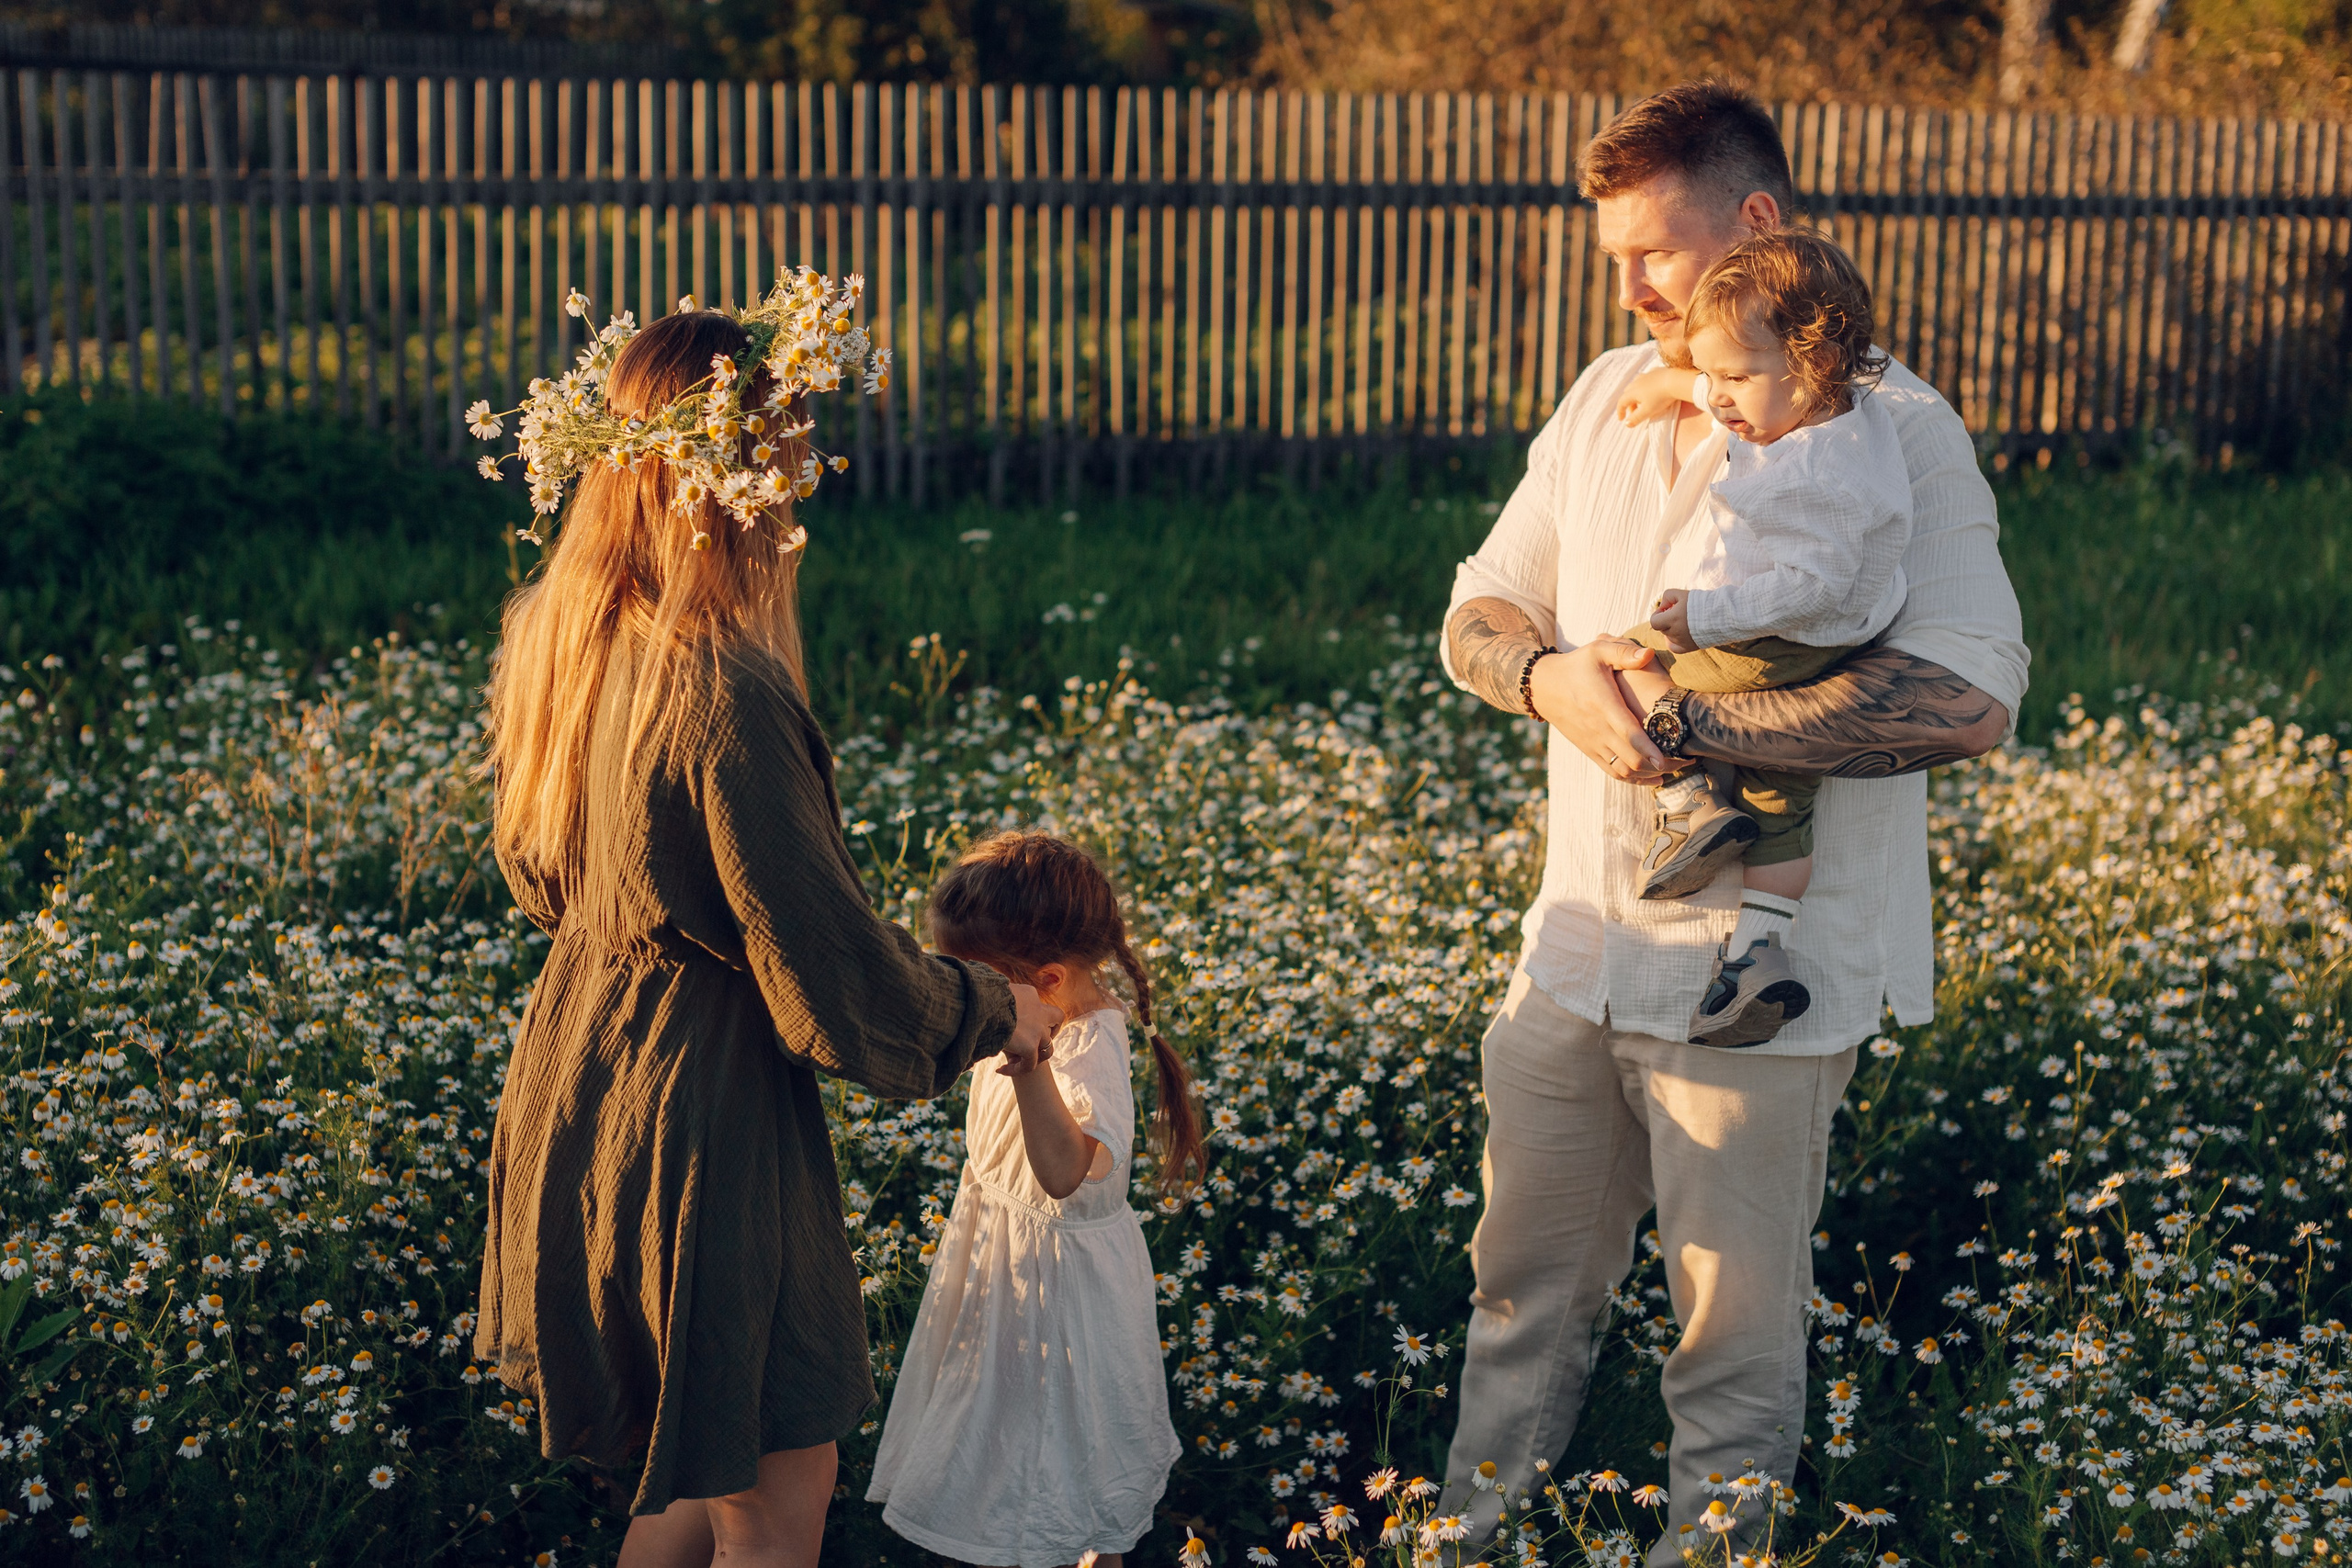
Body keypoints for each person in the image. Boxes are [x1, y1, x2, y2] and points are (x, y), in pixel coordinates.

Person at [1436, 81, 2030, 1564]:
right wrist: (1550, 673)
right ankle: (1460, 1543)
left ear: (1758, 225)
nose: (1628, 286)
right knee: (1515, 1300)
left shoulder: (1894, 429)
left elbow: (1970, 697)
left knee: (1732, 1351)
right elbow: (1478, 606)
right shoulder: (1600, 393)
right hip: (1574, 952)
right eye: (1616, 257)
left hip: (1763, 976)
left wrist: (1693, 722)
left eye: (1654, 250)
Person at [471, 302, 1059, 1568]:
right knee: (777, 1488)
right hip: (703, 1115)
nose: (798, 495)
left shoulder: (561, 642)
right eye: (785, 459)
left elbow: (540, 875)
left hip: (580, 1086)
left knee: (684, 1479)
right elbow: (826, 972)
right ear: (731, 480)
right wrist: (996, 1008)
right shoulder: (720, 686)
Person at [1608, 229, 1913, 1048]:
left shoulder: (1816, 472)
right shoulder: (1851, 411)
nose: (1720, 398)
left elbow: (1810, 586)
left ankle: (1687, 801)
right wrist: (1687, 378)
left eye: (1734, 378)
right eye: (1712, 376)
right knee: (1783, 798)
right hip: (1835, 649)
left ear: (1812, 364)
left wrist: (1703, 618)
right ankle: (1757, 958)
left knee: (1622, 656)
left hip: (1773, 636)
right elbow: (1745, 380)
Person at [866, 832, 1197, 1568]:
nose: (961, 993)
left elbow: (1063, 1170)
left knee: (1074, 1474)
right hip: (1007, 1278)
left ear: (1045, 981)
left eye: (973, 980)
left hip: (1066, 1307)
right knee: (1016, 1467)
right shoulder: (1038, 1010)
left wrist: (1029, 1068)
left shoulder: (1083, 1048)